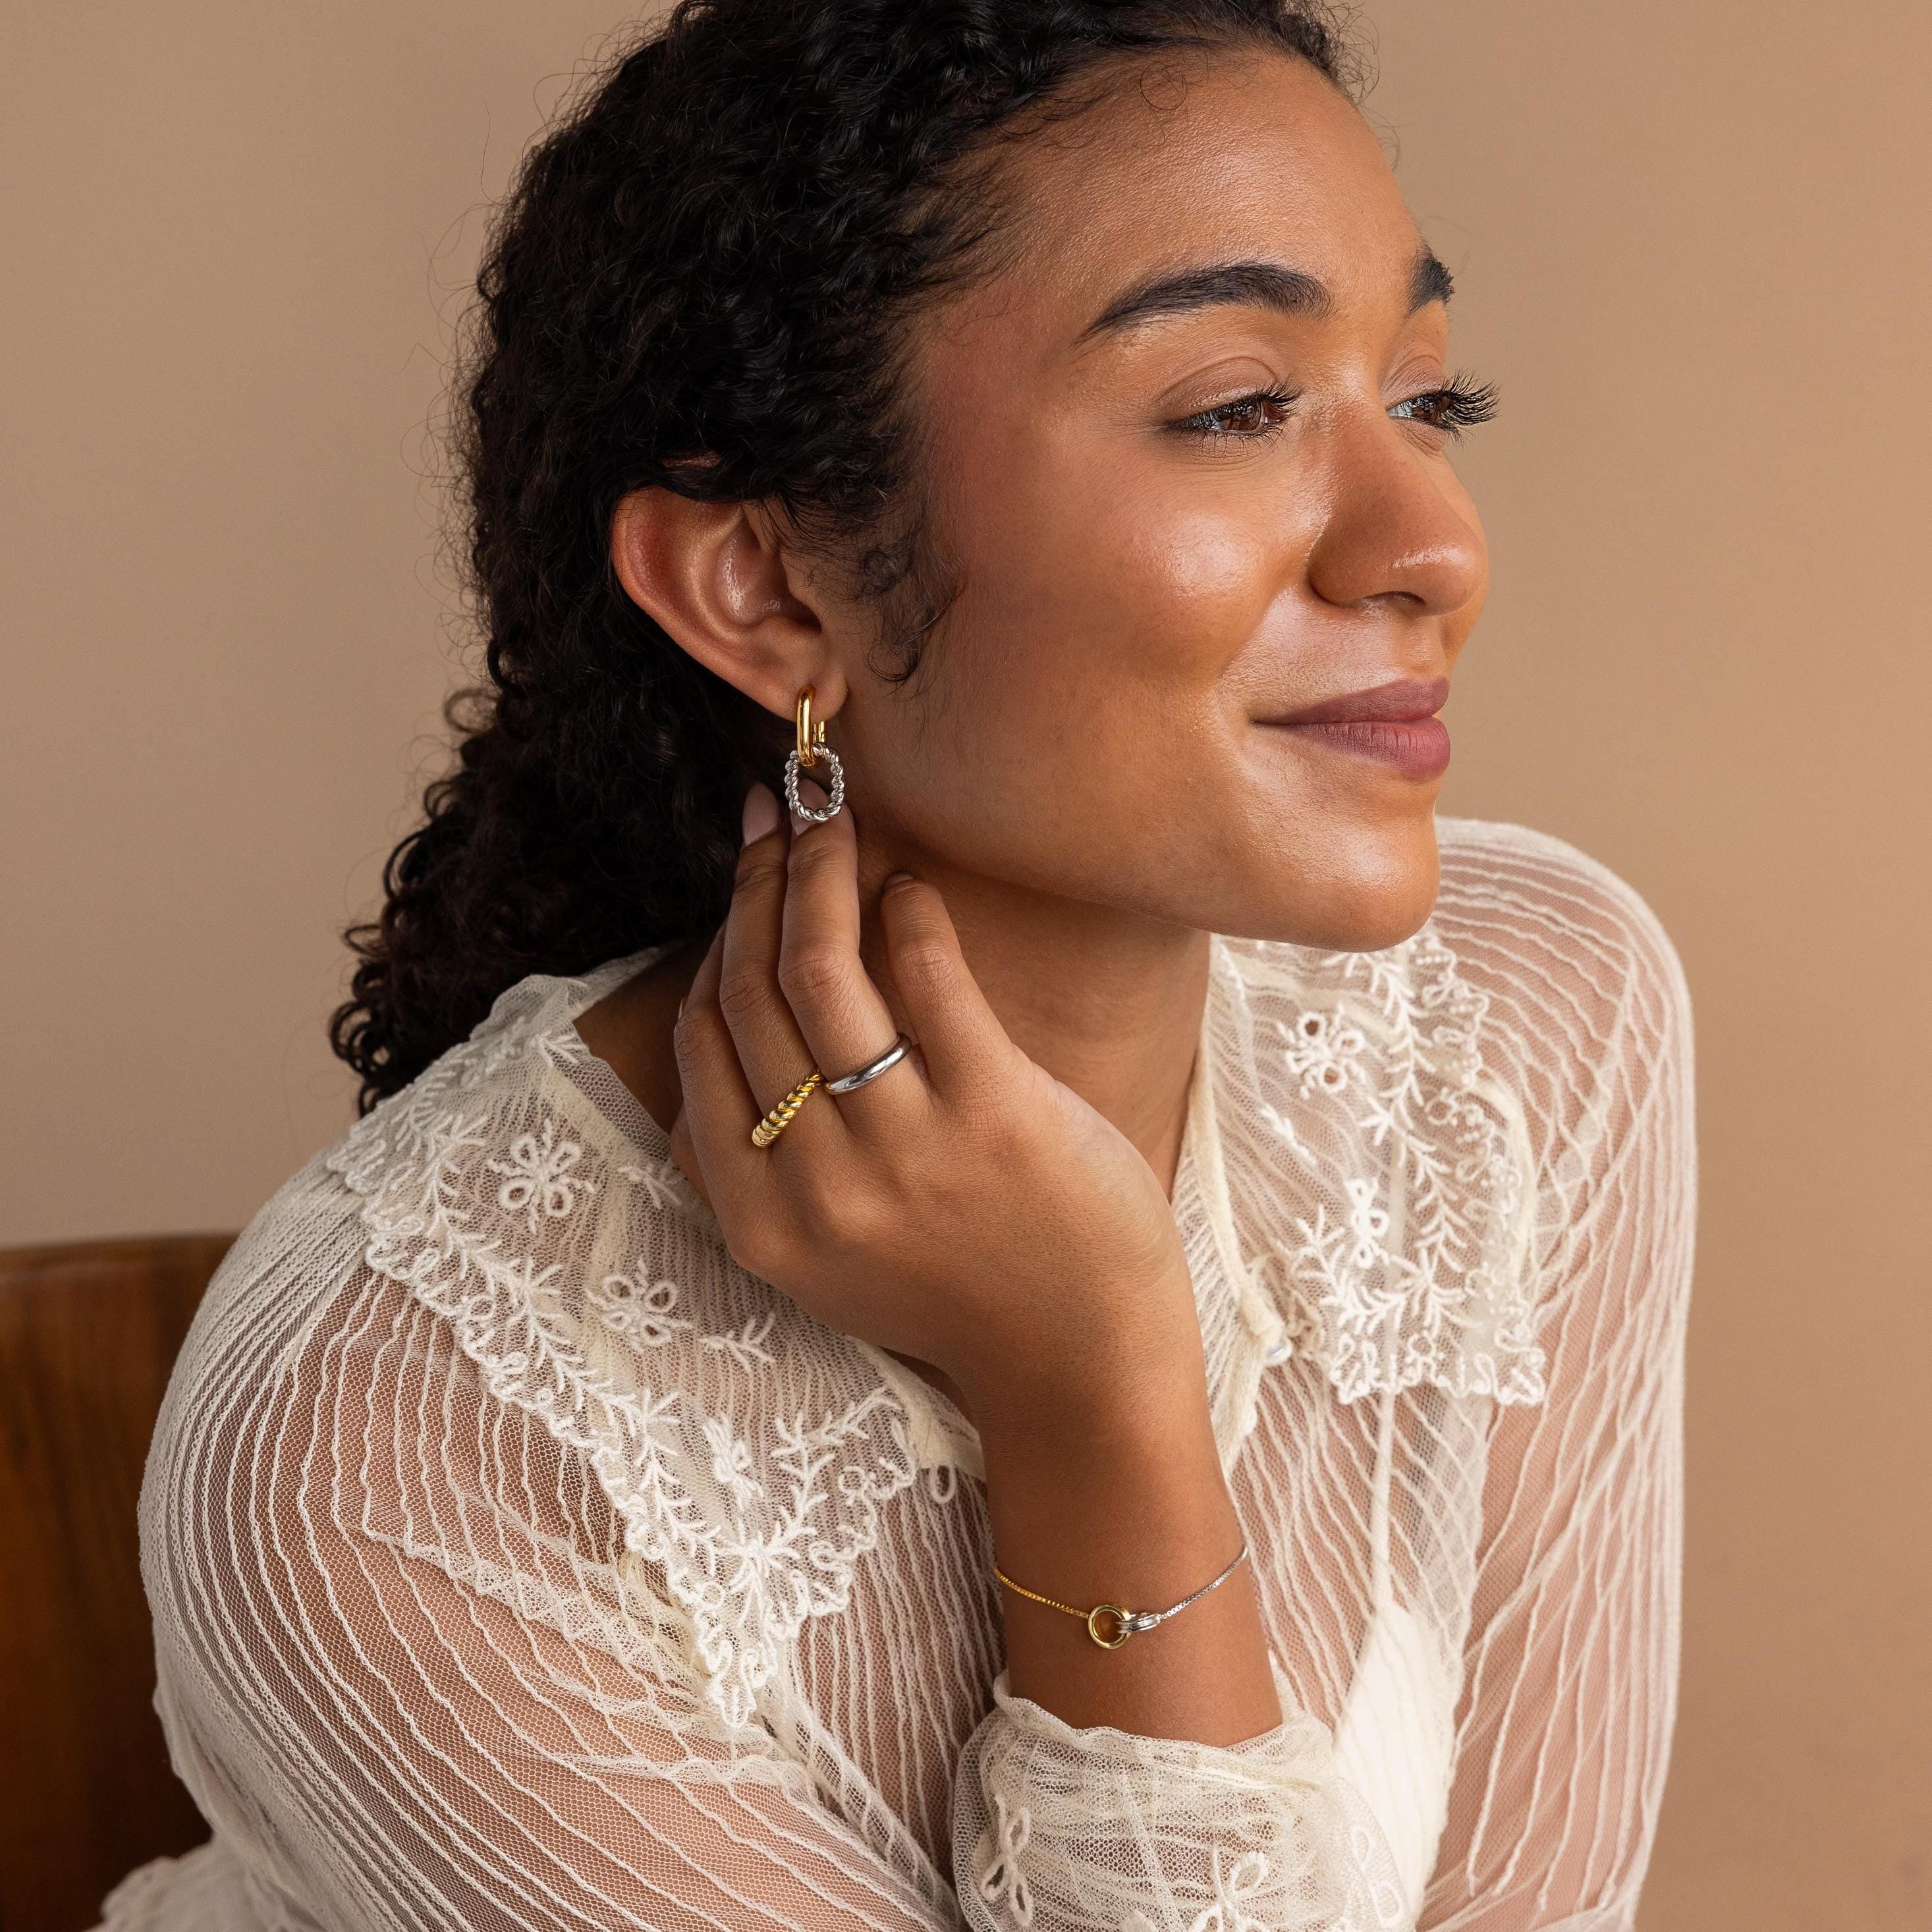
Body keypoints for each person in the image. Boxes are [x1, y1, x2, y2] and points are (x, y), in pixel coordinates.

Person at [96, 3, 1697, 1927]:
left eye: (1429, 400)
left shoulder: (1533, 1017)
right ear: (765, 587)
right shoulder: (370, 1437)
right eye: (1232, 407)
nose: (1434, 545)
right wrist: (1096, 1398)